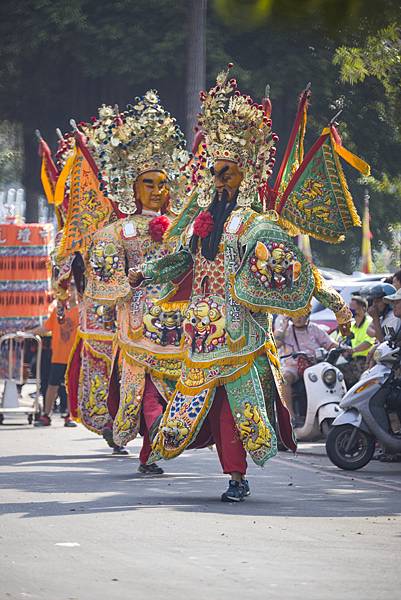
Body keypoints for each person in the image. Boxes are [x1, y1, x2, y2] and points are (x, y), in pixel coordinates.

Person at [129, 67, 360, 502]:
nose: (218, 181)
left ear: (245, 177)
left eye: (227, 174)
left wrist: (336, 303)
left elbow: (294, 270)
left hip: (238, 333)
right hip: (200, 333)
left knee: (237, 411)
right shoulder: (203, 223)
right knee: (195, 410)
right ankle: (163, 451)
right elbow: (182, 259)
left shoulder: (252, 225)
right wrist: (149, 273)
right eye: (214, 173)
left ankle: (236, 477)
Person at [85, 91, 189, 474]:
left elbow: (196, 263)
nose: (157, 190)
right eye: (149, 183)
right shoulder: (119, 231)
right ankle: (151, 448)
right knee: (141, 387)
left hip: (177, 322)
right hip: (135, 321)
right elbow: (103, 271)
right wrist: (128, 285)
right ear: (133, 188)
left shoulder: (182, 228)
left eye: (163, 183)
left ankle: (157, 447)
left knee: (171, 386)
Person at [274, 314, 337, 421]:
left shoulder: (315, 328)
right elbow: (277, 343)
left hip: (314, 366)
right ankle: (291, 416)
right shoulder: (286, 331)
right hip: (293, 367)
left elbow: (330, 344)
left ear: (307, 315)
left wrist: (342, 347)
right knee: (284, 379)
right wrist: (284, 326)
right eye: (296, 315)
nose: (298, 318)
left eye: (301, 315)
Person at [31, 288, 79, 427]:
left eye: (72, 289)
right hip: (58, 356)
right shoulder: (58, 311)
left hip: (73, 356)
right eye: (67, 290)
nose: (69, 293)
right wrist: (28, 332)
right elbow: (46, 328)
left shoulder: (81, 312)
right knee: (52, 386)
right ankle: (46, 415)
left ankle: (70, 415)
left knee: (72, 386)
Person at [340, 295, 376, 387]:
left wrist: (353, 350)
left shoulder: (370, 322)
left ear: (363, 309)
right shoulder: (351, 324)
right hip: (350, 360)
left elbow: (369, 342)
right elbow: (340, 340)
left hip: (365, 361)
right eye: (350, 309)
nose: (351, 311)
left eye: (354, 309)